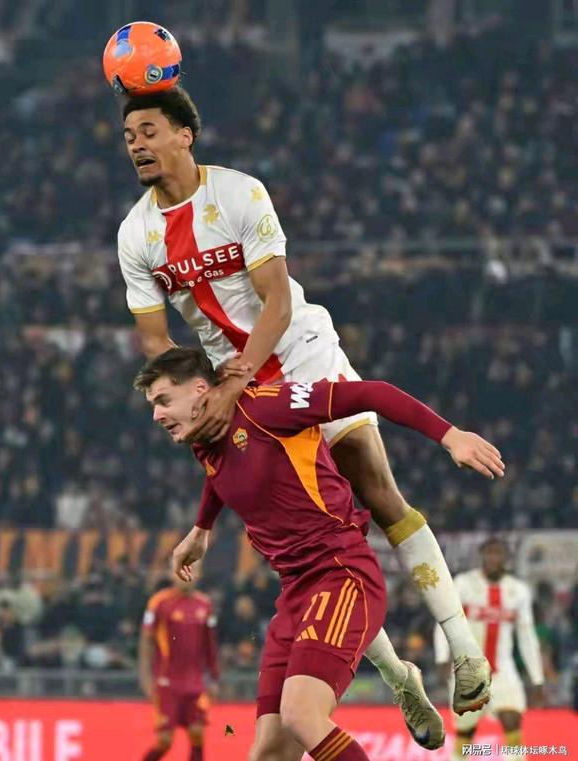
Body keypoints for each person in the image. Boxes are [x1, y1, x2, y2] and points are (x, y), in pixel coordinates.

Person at [116, 86, 493, 716]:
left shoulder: (240, 194)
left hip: (297, 351)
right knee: (300, 538)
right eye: (129, 137)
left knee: (377, 490)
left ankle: (464, 651)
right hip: (226, 381)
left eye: (149, 131)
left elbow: (278, 300)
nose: (137, 145)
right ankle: (399, 675)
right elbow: (156, 341)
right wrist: (194, 392)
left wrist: (236, 382)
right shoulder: (135, 234)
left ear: (185, 134)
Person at [134, 347, 505, 761]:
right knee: (268, 753)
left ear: (201, 389)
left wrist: (450, 436)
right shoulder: (203, 439)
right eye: (153, 405)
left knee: (302, 716)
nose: (157, 415)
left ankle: (440, 660)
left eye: (163, 400)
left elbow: (372, 393)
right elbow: (221, 473)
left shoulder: (266, 408)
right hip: (295, 593)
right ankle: (400, 677)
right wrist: (202, 528)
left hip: (341, 574)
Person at [434, 537, 545, 761]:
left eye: (499, 553)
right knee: (466, 732)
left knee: (512, 719)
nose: (494, 558)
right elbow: (445, 620)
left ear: (506, 558)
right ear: (482, 555)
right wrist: (442, 657)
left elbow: (527, 637)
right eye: (490, 552)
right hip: (468, 669)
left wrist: (537, 678)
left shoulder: (518, 591)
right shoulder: (464, 584)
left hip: (503, 670)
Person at [139, 569, 219, 761]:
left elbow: (210, 645)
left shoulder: (205, 604)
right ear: (172, 574)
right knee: (164, 741)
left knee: (197, 734)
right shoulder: (159, 602)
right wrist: (145, 677)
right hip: (167, 682)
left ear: (198, 575)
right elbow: (146, 641)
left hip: (195, 682)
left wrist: (214, 678)